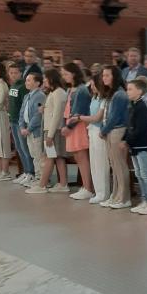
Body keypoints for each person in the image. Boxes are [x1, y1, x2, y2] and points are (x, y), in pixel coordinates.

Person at [27, 69, 69, 194]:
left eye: (46, 78)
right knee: (58, 157)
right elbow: (52, 111)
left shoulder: (58, 93)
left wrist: (50, 135)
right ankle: (63, 184)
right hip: (52, 129)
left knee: (49, 157)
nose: (44, 80)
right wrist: (44, 109)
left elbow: (57, 115)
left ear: (52, 78)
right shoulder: (54, 92)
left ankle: (42, 185)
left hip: (54, 130)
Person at [124, 79, 147, 214]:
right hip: (134, 145)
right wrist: (125, 138)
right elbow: (129, 125)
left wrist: (127, 141)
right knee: (138, 173)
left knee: (145, 173)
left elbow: (141, 128)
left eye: (130, 89)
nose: (127, 91)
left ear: (139, 91)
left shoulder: (141, 107)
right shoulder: (134, 105)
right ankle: (144, 200)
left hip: (142, 145)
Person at [99, 66, 131, 209]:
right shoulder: (111, 93)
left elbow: (115, 116)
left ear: (115, 77)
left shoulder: (120, 94)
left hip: (117, 130)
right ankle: (115, 196)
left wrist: (104, 130)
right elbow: (107, 114)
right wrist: (104, 128)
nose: (104, 78)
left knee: (120, 165)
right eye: (103, 75)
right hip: (110, 131)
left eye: (107, 75)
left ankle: (124, 198)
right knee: (114, 165)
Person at [61, 63, 94, 200]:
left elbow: (79, 112)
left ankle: (88, 188)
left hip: (78, 126)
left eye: (66, 74)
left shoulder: (81, 90)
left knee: (82, 157)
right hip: (71, 124)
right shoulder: (71, 89)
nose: (64, 76)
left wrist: (69, 127)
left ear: (74, 74)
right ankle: (85, 186)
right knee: (77, 157)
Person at [81, 73, 110, 205]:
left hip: (99, 132)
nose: (91, 87)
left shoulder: (104, 99)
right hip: (91, 130)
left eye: (93, 85)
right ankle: (98, 192)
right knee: (93, 162)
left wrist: (80, 118)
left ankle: (103, 193)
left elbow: (98, 117)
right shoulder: (94, 98)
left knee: (100, 163)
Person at [5, 63, 33, 184]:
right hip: (12, 120)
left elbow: (24, 105)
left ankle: (31, 173)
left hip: (20, 122)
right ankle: (26, 171)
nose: (13, 75)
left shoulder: (23, 87)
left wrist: (23, 122)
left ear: (21, 73)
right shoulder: (13, 85)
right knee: (19, 148)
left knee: (25, 148)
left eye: (15, 73)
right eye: (11, 73)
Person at [19, 72, 46, 188]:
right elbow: (22, 113)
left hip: (36, 131)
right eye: (26, 80)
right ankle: (37, 177)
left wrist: (29, 129)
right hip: (27, 130)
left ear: (37, 83)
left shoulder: (40, 95)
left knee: (39, 155)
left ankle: (43, 180)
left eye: (29, 80)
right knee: (34, 155)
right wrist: (22, 127)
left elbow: (38, 115)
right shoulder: (27, 96)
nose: (26, 82)